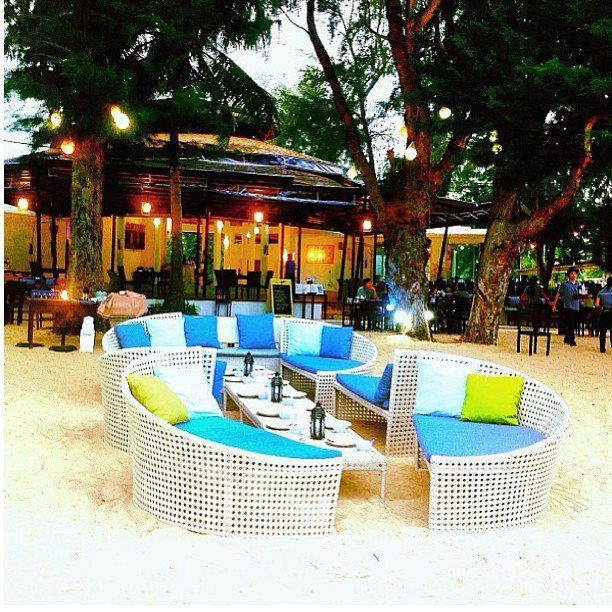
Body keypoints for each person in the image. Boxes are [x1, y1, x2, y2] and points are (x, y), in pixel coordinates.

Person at [553, 267, 582, 346]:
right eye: (572, 273)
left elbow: (581, 294)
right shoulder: (564, 284)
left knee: (573, 323)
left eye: (575, 274)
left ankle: (567, 338)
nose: (574, 275)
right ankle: (571, 340)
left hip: (576, 306)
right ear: (568, 275)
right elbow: (558, 294)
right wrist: (554, 304)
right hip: (567, 306)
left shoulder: (578, 284)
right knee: (569, 323)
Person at [595, 277, 612, 354]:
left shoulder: (601, 292)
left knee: (602, 331)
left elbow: (597, 304)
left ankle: (602, 348)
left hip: (604, 312)